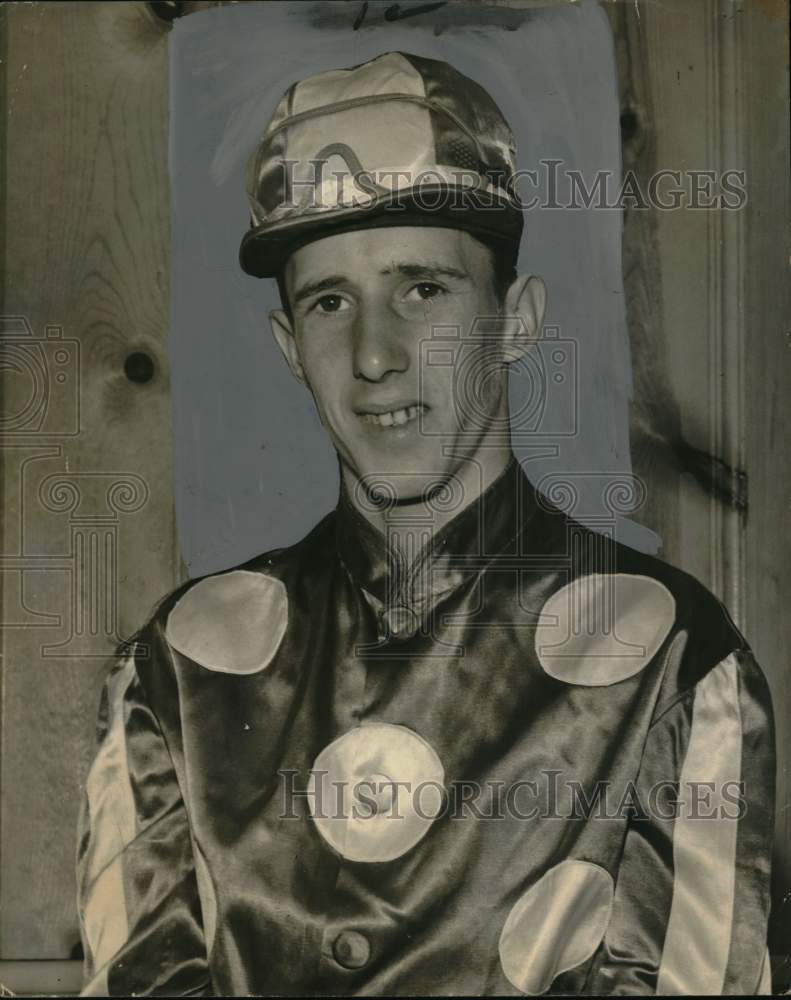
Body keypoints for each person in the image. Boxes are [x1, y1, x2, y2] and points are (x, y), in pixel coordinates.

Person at [76, 51, 775, 996]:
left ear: (515, 319)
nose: (375, 356)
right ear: (289, 346)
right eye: (330, 301)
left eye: (423, 290)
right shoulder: (174, 668)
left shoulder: (677, 665)